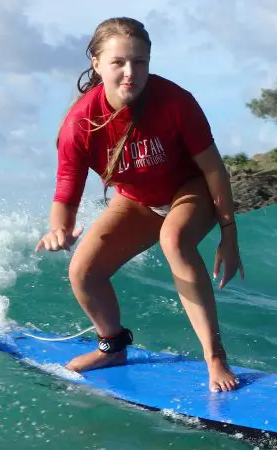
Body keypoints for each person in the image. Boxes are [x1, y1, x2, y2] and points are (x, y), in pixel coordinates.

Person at [34, 17, 243, 393]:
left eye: (140, 62)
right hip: (137, 200)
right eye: (118, 63)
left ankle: (215, 357)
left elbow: (214, 170)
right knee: (84, 270)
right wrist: (59, 230)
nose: (131, 73)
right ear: (97, 64)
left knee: (174, 239)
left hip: (188, 190)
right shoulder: (80, 123)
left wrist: (229, 232)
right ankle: (112, 347)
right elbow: (66, 190)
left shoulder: (175, 102)